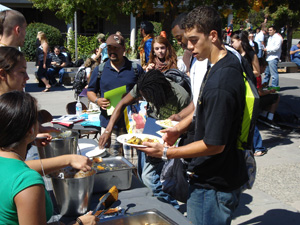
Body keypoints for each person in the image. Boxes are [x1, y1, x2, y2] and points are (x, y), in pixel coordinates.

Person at [138, 6, 248, 225]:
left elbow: (214, 144)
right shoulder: (215, 65)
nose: (188, 46)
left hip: (213, 184)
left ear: (213, 36)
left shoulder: (221, 81)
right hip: (213, 177)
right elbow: (201, 111)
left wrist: (167, 152)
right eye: (186, 40)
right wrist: (178, 128)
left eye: (194, 40)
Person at [0, 91, 98, 225]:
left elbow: (18, 170)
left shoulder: (13, 169)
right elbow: (21, 176)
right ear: (31, 130)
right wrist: (80, 223)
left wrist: (68, 159)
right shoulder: (27, 182)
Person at [98, 69, 191, 208]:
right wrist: (107, 130)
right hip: (149, 132)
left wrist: (177, 122)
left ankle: (173, 208)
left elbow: (189, 123)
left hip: (167, 139)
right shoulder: (143, 86)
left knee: (148, 179)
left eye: (149, 97)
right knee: (142, 175)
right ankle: (161, 205)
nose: (146, 100)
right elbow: (122, 103)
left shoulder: (180, 96)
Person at [87, 34, 144, 156]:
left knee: (133, 165)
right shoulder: (100, 70)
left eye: (116, 48)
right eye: (109, 48)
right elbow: (90, 91)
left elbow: (145, 92)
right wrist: (97, 100)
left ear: (124, 49)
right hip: (108, 125)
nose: (112, 52)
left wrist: (136, 97)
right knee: (111, 164)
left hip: (132, 125)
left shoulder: (135, 69)